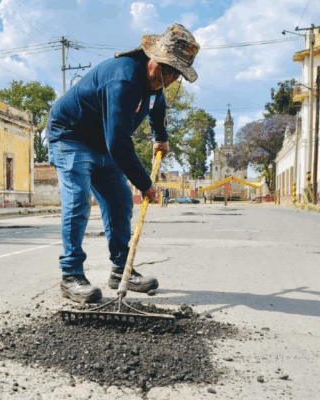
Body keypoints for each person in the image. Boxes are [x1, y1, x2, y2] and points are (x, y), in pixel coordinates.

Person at [46, 24, 199, 303]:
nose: (167, 79)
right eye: (165, 70)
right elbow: (118, 143)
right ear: (152, 57)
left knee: (120, 203)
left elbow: (157, 104)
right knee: (79, 201)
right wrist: (146, 185)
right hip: (70, 135)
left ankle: (120, 270)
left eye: (175, 74)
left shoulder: (156, 81)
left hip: (103, 140)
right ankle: (71, 276)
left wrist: (160, 137)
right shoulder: (124, 78)